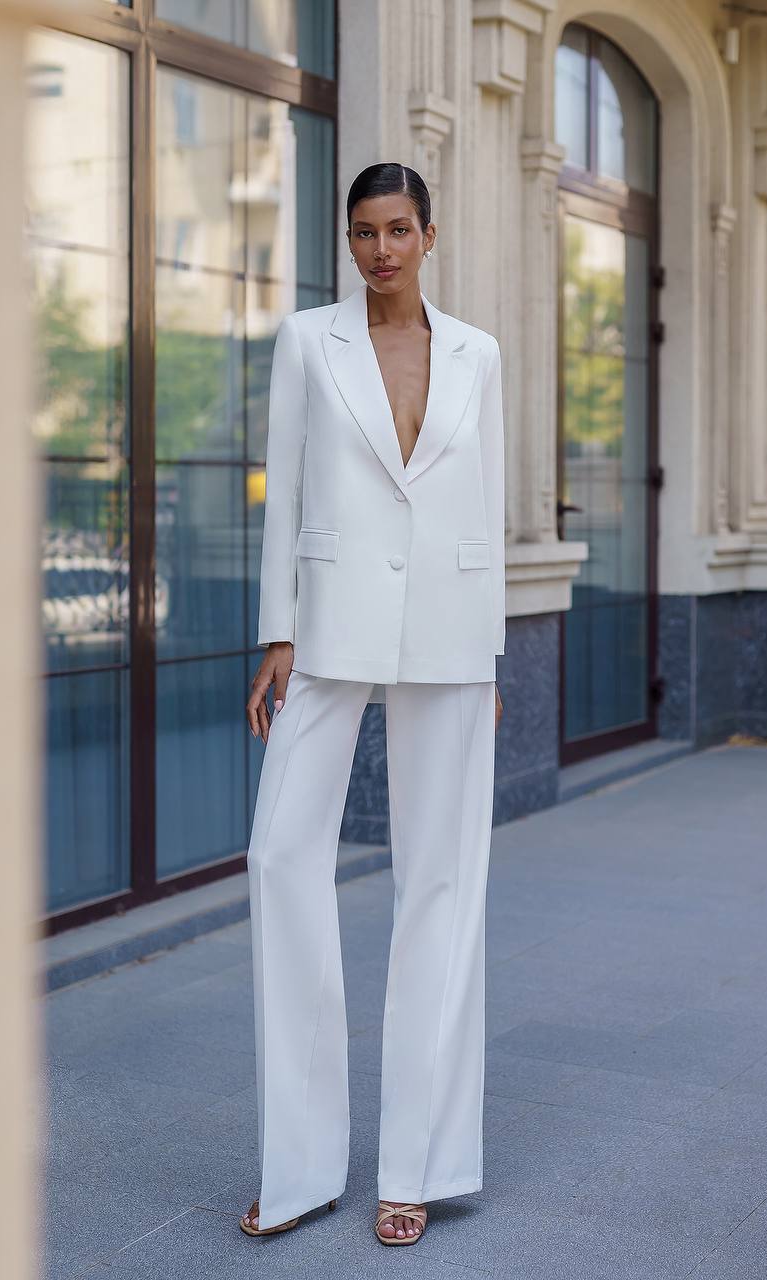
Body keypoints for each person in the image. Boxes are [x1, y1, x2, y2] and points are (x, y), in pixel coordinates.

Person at [239, 161, 506, 1248]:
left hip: (446, 631)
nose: (380, 249)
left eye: (398, 230)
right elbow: (285, 484)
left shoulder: (479, 352)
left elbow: (481, 492)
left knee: (441, 882)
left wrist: (486, 652)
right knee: (277, 856)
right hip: (331, 620)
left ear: (429, 235)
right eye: (362, 233)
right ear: (347, 242)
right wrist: (277, 629)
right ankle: (298, 1164)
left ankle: (418, 1164)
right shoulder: (310, 341)